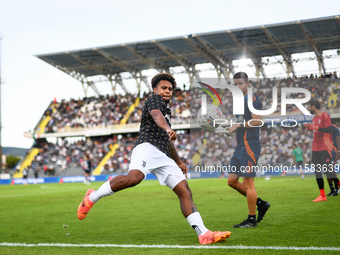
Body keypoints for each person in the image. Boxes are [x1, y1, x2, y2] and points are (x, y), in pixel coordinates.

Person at [77, 73, 231, 245]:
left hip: (164, 155)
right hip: (147, 147)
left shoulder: (167, 110)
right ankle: (92, 197)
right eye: (164, 88)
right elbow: (156, 116)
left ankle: (204, 234)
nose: (167, 91)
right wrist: (166, 128)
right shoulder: (155, 100)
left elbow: (168, 140)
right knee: (133, 179)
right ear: (155, 89)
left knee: (185, 191)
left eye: (170, 89)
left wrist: (179, 161)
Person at [227, 72, 270, 228]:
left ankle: (251, 219)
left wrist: (238, 125)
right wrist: (231, 129)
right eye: (235, 84)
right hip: (240, 145)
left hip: (250, 145)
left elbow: (257, 121)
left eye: (240, 84)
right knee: (231, 181)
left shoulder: (252, 99)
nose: (237, 87)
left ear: (247, 84)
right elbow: (241, 123)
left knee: (247, 182)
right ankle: (260, 203)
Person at [304, 100, 340, 202]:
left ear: (314, 106)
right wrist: (310, 128)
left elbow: (328, 130)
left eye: (309, 106)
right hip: (315, 148)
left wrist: (315, 127)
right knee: (317, 171)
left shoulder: (325, 116)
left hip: (325, 148)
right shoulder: (314, 118)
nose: (309, 108)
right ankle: (322, 195)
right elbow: (316, 130)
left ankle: (338, 184)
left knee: (327, 170)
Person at [326, 123, 340, 196]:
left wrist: (339, 151)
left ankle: (337, 188)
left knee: (331, 169)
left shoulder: (333, 127)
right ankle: (332, 189)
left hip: (332, 151)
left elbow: (338, 139)